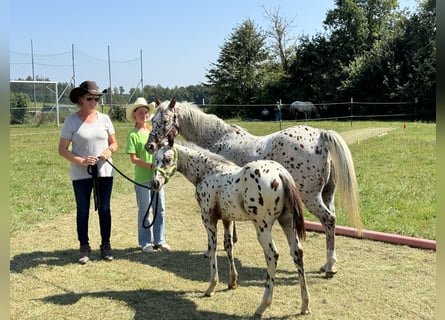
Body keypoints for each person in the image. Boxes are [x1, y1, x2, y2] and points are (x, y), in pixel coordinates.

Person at [58, 80, 118, 265]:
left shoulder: (105, 119)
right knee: (83, 210)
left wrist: (109, 150)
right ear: (80, 99)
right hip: (81, 173)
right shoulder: (71, 121)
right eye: (90, 98)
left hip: (105, 171)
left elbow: (114, 143)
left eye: (96, 98)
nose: (94, 101)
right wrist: (81, 161)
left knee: (105, 209)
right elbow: (62, 149)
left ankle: (106, 244)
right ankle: (84, 246)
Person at [125, 97, 170, 253]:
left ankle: (160, 240)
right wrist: (150, 165)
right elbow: (133, 158)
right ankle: (145, 241)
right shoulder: (133, 135)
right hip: (142, 179)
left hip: (157, 177)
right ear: (135, 115)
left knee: (160, 208)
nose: (144, 115)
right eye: (141, 112)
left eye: (146, 112)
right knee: (145, 210)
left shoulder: (154, 132)